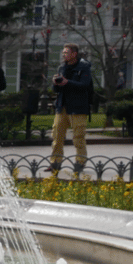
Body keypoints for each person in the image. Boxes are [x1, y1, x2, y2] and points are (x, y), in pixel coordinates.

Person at [49, 44, 94, 175]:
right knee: (57, 136)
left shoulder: (84, 67)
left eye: (66, 53)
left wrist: (67, 82)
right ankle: (55, 163)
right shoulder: (62, 68)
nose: (63, 55)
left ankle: (80, 162)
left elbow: (85, 85)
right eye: (63, 53)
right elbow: (57, 90)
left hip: (78, 107)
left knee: (78, 137)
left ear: (74, 54)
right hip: (62, 106)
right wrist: (55, 83)